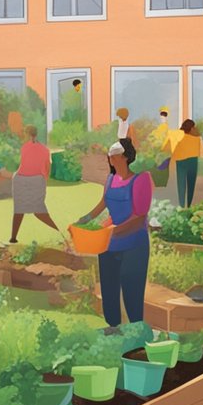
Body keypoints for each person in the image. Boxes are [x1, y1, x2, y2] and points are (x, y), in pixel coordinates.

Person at [79, 139, 152, 328]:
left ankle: (136, 331)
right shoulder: (111, 180)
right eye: (110, 156)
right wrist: (86, 219)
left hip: (134, 245)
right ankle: (113, 329)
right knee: (109, 289)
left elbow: (139, 216)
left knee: (132, 290)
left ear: (126, 157)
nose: (111, 158)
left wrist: (113, 231)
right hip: (109, 244)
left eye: (115, 155)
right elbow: (103, 202)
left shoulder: (141, 180)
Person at [10, 125, 59, 242]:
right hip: (30, 180)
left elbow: (26, 164)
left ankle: (58, 232)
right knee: (31, 210)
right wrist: (44, 179)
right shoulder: (44, 149)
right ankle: (13, 237)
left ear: (27, 134)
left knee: (25, 210)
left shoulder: (25, 147)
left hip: (24, 180)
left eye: (24, 134)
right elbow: (47, 167)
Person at [168, 118, 203, 207]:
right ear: (191, 128)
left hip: (180, 162)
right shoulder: (196, 139)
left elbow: (169, 149)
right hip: (192, 161)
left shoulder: (177, 137)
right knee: (191, 185)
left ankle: (181, 205)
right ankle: (188, 205)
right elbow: (202, 153)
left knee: (181, 185)